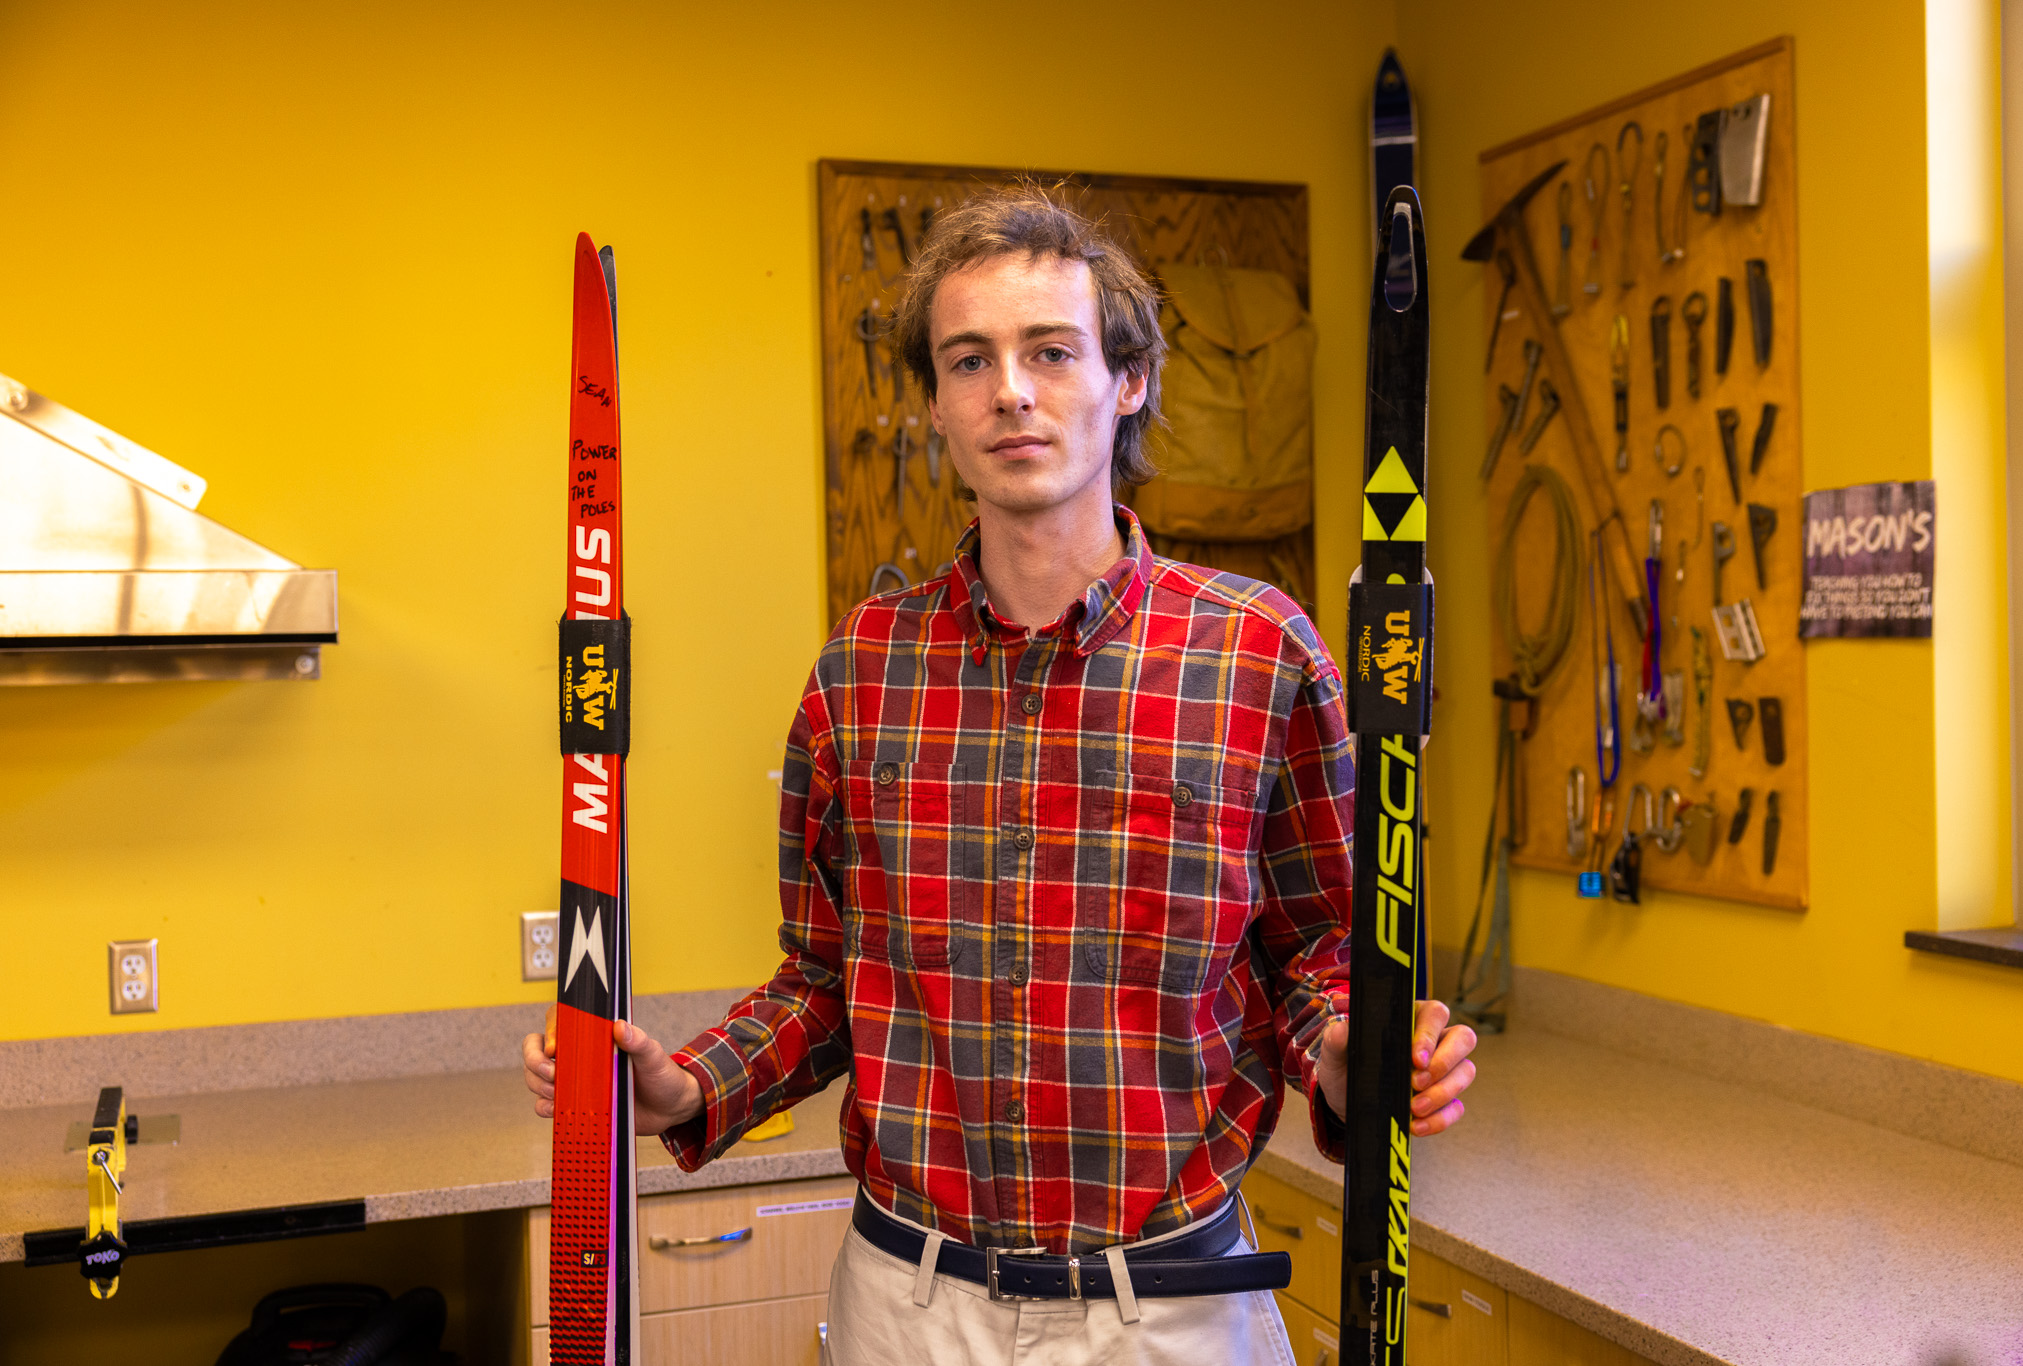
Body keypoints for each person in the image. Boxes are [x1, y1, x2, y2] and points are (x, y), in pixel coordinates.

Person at [523, 185, 1477, 1364]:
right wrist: (689, 1086)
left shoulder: (1257, 650)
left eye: (1049, 351)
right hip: (911, 1307)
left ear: (1125, 381)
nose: (1010, 391)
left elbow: (1315, 957)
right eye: (968, 359)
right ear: (936, 400)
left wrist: (1350, 1047)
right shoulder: (861, 670)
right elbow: (827, 974)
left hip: (1171, 1309)